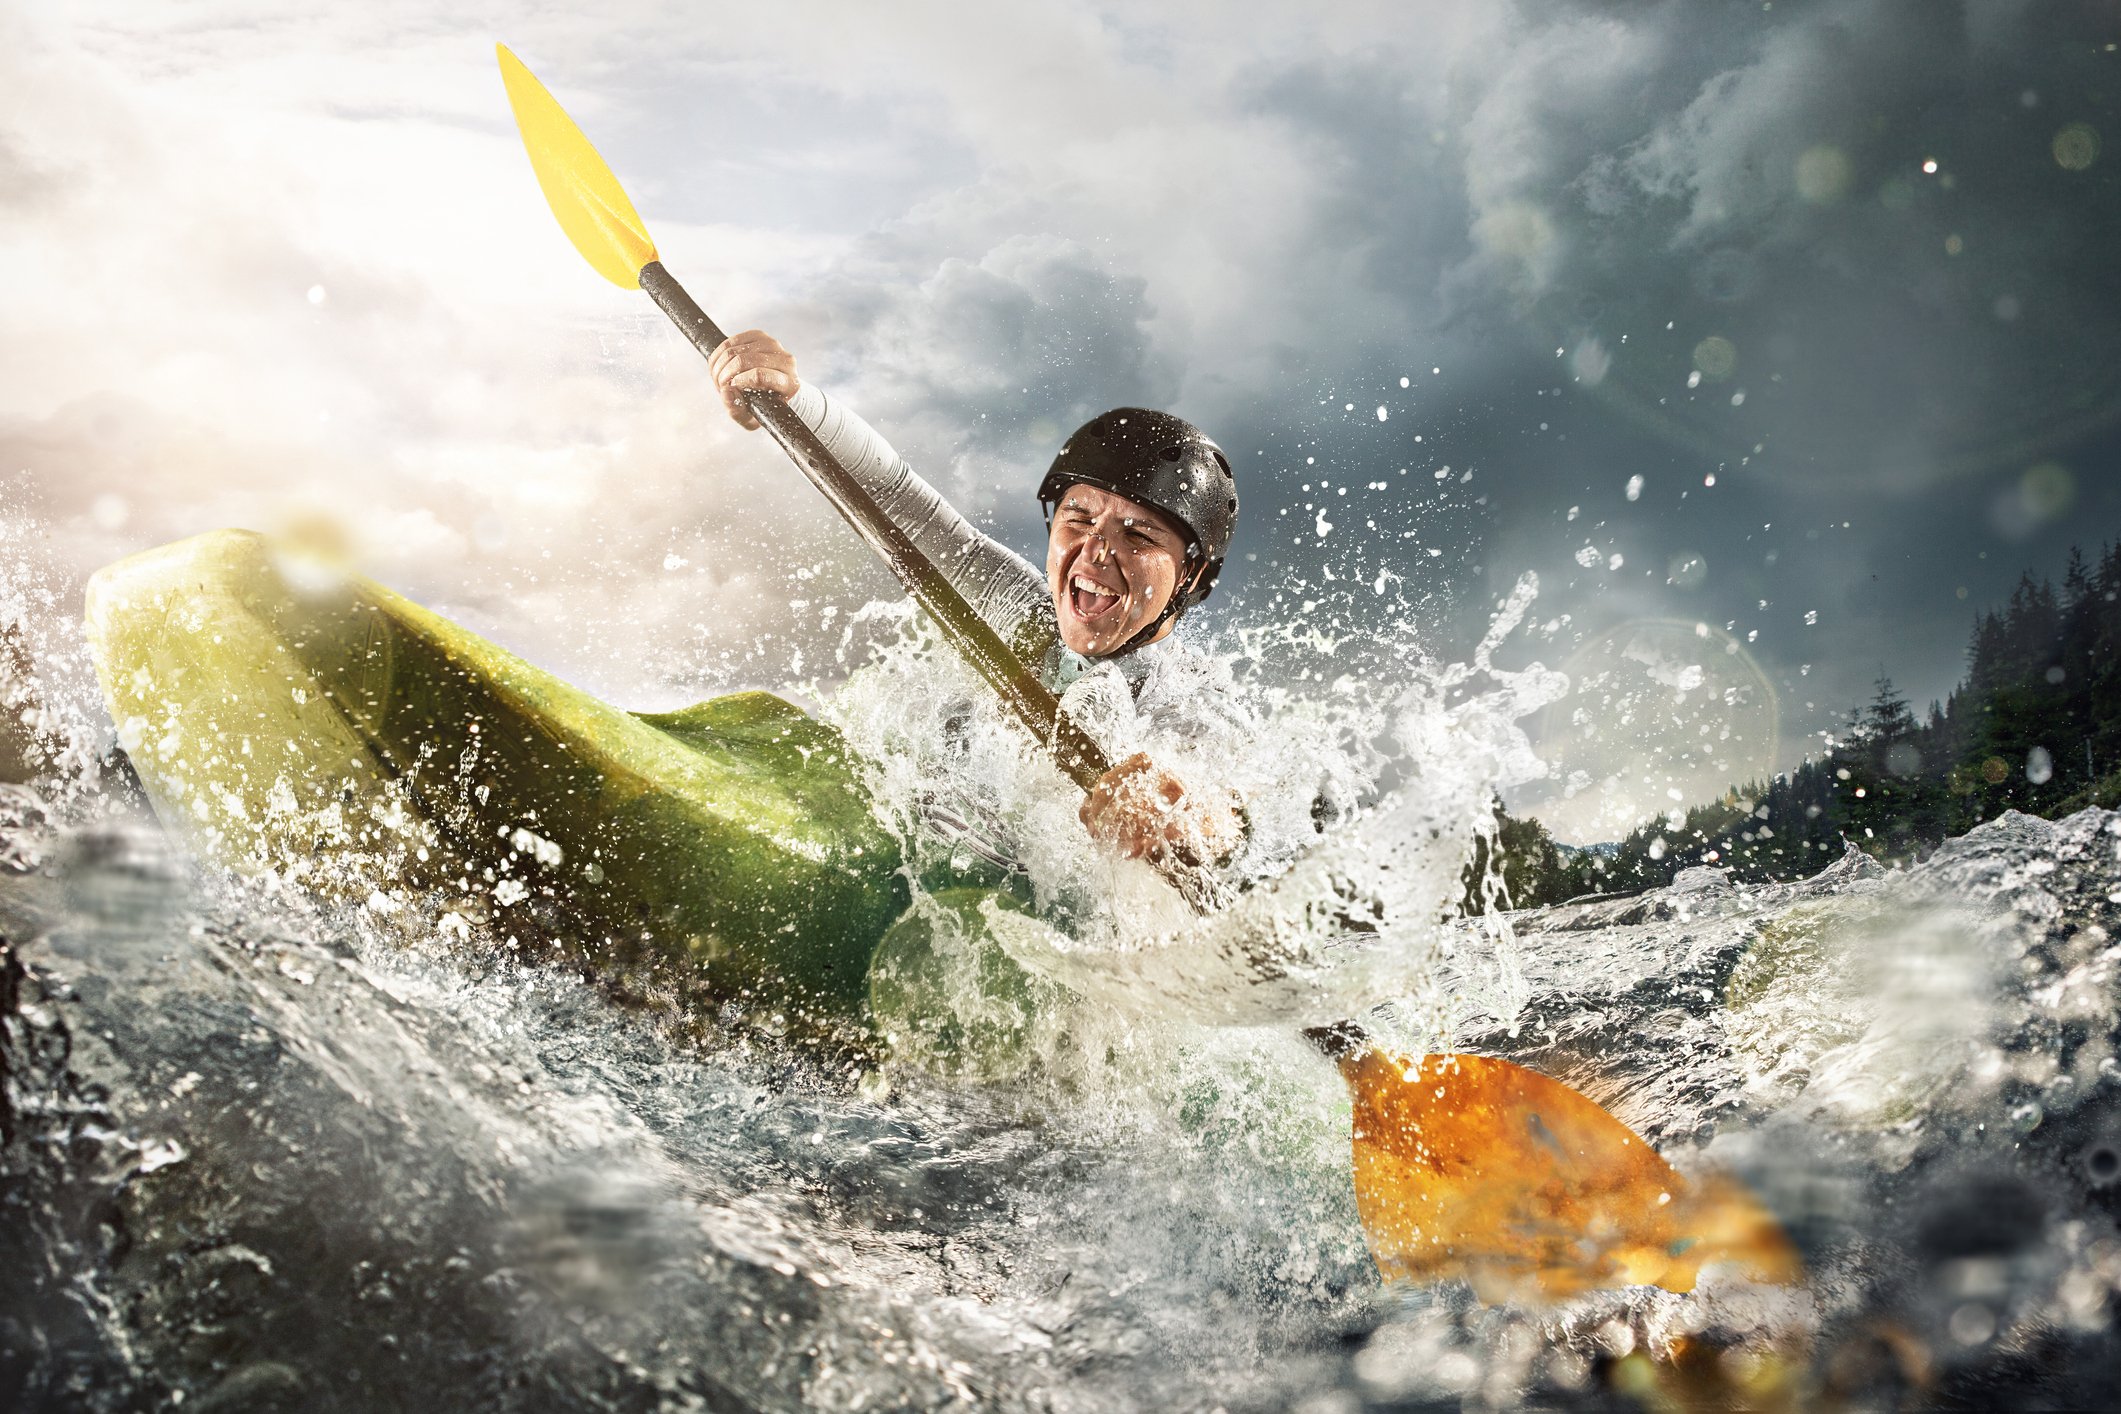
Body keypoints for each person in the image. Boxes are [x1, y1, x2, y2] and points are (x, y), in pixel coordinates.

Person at [706, 330, 1251, 878]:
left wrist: (1183, 817)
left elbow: (1227, 816)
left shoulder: (1191, 699)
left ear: (1192, 573)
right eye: (1079, 520)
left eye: (1139, 535)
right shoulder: (1018, 604)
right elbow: (894, 495)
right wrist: (795, 401)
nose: (1097, 551)